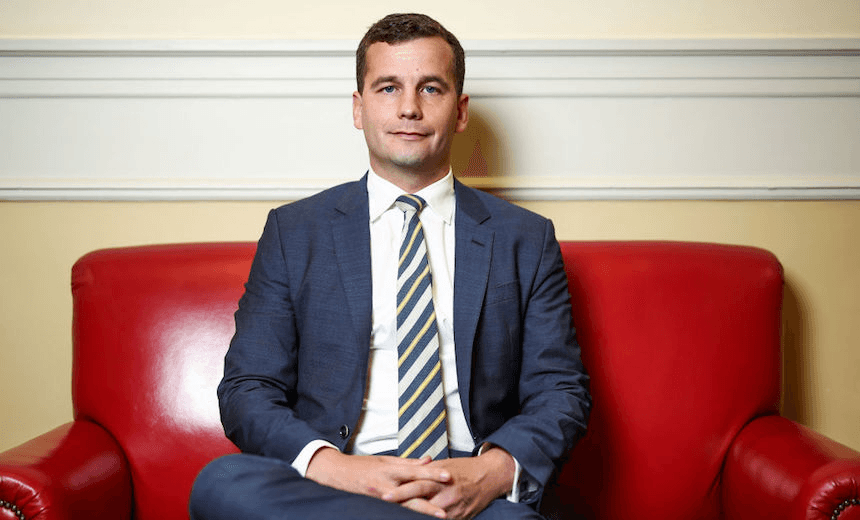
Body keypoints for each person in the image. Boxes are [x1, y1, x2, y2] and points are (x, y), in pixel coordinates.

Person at [190, 13, 590, 520]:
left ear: (460, 110)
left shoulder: (525, 238)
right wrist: (341, 470)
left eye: (430, 88)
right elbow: (248, 388)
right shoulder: (295, 232)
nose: (408, 108)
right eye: (387, 88)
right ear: (358, 109)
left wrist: (487, 474)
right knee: (222, 483)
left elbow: (560, 391)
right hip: (339, 483)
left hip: (464, 488)